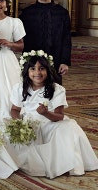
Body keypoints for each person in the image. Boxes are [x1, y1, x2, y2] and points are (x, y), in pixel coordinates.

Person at [7, 51, 98, 179]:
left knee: (69, 128)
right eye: (33, 69)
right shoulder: (20, 88)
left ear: (48, 71)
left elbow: (59, 116)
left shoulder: (57, 89)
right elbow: (15, 110)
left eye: (42, 69)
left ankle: (68, 163)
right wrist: (19, 124)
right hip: (30, 123)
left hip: (50, 123)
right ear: (27, 71)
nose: (37, 73)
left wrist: (46, 113)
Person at [19, 0, 71, 80]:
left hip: (55, 60)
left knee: (53, 90)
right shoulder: (26, 13)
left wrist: (64, 62)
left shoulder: (62, 13)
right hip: (32, 61)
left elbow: (66, 39)